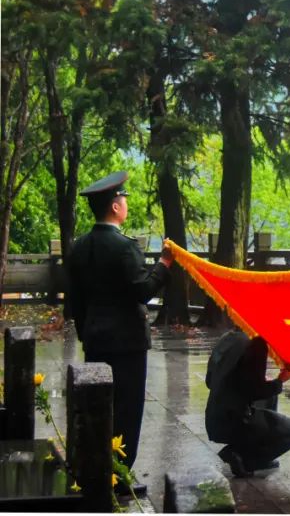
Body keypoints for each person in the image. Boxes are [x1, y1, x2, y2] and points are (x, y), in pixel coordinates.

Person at [67, 170, 171, 496]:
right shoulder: (125, 247)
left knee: (99, 406)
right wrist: (165, 265)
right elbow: (143, 291)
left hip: (95, 339)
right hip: (127, 344)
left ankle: (96, 470)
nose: (126, 203)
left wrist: (85, 333)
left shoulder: (79, 247)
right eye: (123, 199)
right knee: (126, 409)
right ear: (114, 206)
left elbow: (76, 301)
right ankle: (120, 475)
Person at [205, 332, 290, 477]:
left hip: (214, 419)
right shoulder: (256, 344)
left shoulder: (227, 339)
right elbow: (256, 391)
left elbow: (210, 381)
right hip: (236, 420)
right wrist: (280, 381)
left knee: (271, 398)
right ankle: (245, 459)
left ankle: (243, 449)